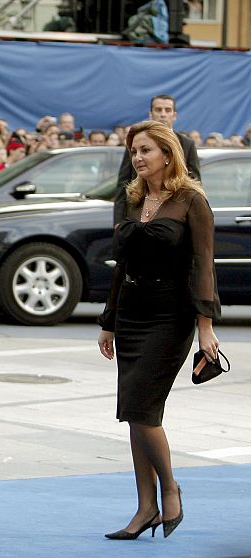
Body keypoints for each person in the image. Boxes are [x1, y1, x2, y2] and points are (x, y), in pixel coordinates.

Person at [97, 120, 220, 540]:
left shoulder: (191, 201)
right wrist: (108, 322)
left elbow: (203, 265)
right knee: (134, 413)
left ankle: (170, 490)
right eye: (134, 152)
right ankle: (145, 507)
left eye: (146, 150)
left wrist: (205, 327)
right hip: (131, 312)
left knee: (143, 410)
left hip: (170, 317)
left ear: (168, 154)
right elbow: (123, 265)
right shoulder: (135, 198)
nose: (138, 158)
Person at [114, 95, 200, 224]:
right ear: (151, 114)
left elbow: (194, 181)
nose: (163, 115)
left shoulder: (186, 144)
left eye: (167, 110)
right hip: (139, 210)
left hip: (174, 214)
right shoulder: (137, 142)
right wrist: (118, 221)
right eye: (158, 110)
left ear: (174, 115)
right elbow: (123, 184)